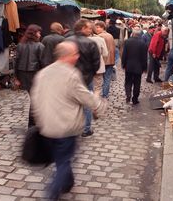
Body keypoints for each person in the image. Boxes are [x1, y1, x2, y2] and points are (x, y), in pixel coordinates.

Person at [31, 41, 107, 200]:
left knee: (62, 159)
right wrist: (99, 105)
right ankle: (52, 194)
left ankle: (67, 183)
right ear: (66, 56)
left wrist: (40, 121)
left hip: (47, 126)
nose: (77, 56)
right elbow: (85, 96)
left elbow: (35, 99)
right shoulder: (70, 74)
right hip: (65, 127)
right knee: (64, 160)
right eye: (75, 54)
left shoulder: (43, 73)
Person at [65, 19, 100, 137]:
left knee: (71, 102)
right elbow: (96, 64)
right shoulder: (91, 43)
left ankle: (71, 127)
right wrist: (91, 74)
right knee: (87, 103)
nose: (91, 30)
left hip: (69, 77)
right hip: (87, 78)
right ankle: (86, 129)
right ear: (82, 28)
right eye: (89, 28)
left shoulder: (67, 41)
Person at [14, 24, 44, 127]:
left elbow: (15, 63)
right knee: (35, 100)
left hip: (23, 74)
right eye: (39, 32)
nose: (40, 34)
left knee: (34, 98)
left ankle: (33, 123)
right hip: (34, 74)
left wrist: (16, 78)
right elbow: (42, 62)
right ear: (34, 33)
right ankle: (32, 124)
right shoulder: (39, 46)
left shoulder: (20, 45)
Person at [121, 27, 147, 105]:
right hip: (138, 67)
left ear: (133, 33)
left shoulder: (127, 42)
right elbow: (144, 57)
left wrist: (123, 64)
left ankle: (128, 94)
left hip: (128, 65)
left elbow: (124, 54)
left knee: (128, 81)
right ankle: (135, 99)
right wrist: (145, 67)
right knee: (137, 83)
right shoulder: (143, 43)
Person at [95, 21, 115, 98]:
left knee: (100, 79)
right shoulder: (110, 36)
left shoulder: (99, 36)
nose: (96, 29)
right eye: (96, 27)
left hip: (103, 60)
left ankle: (101, 93)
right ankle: (105, 94)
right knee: (107, 78)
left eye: (98, 27)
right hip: (110, 60)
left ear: (102, 27)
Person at [88, 24, 109, 94]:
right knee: (97, 86)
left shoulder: (83, 39)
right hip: (98, 65)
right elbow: (105, 54)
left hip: (86, 66)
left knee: (87, 86)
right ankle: (96, 101)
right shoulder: (100, 39)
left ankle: (88, 102)